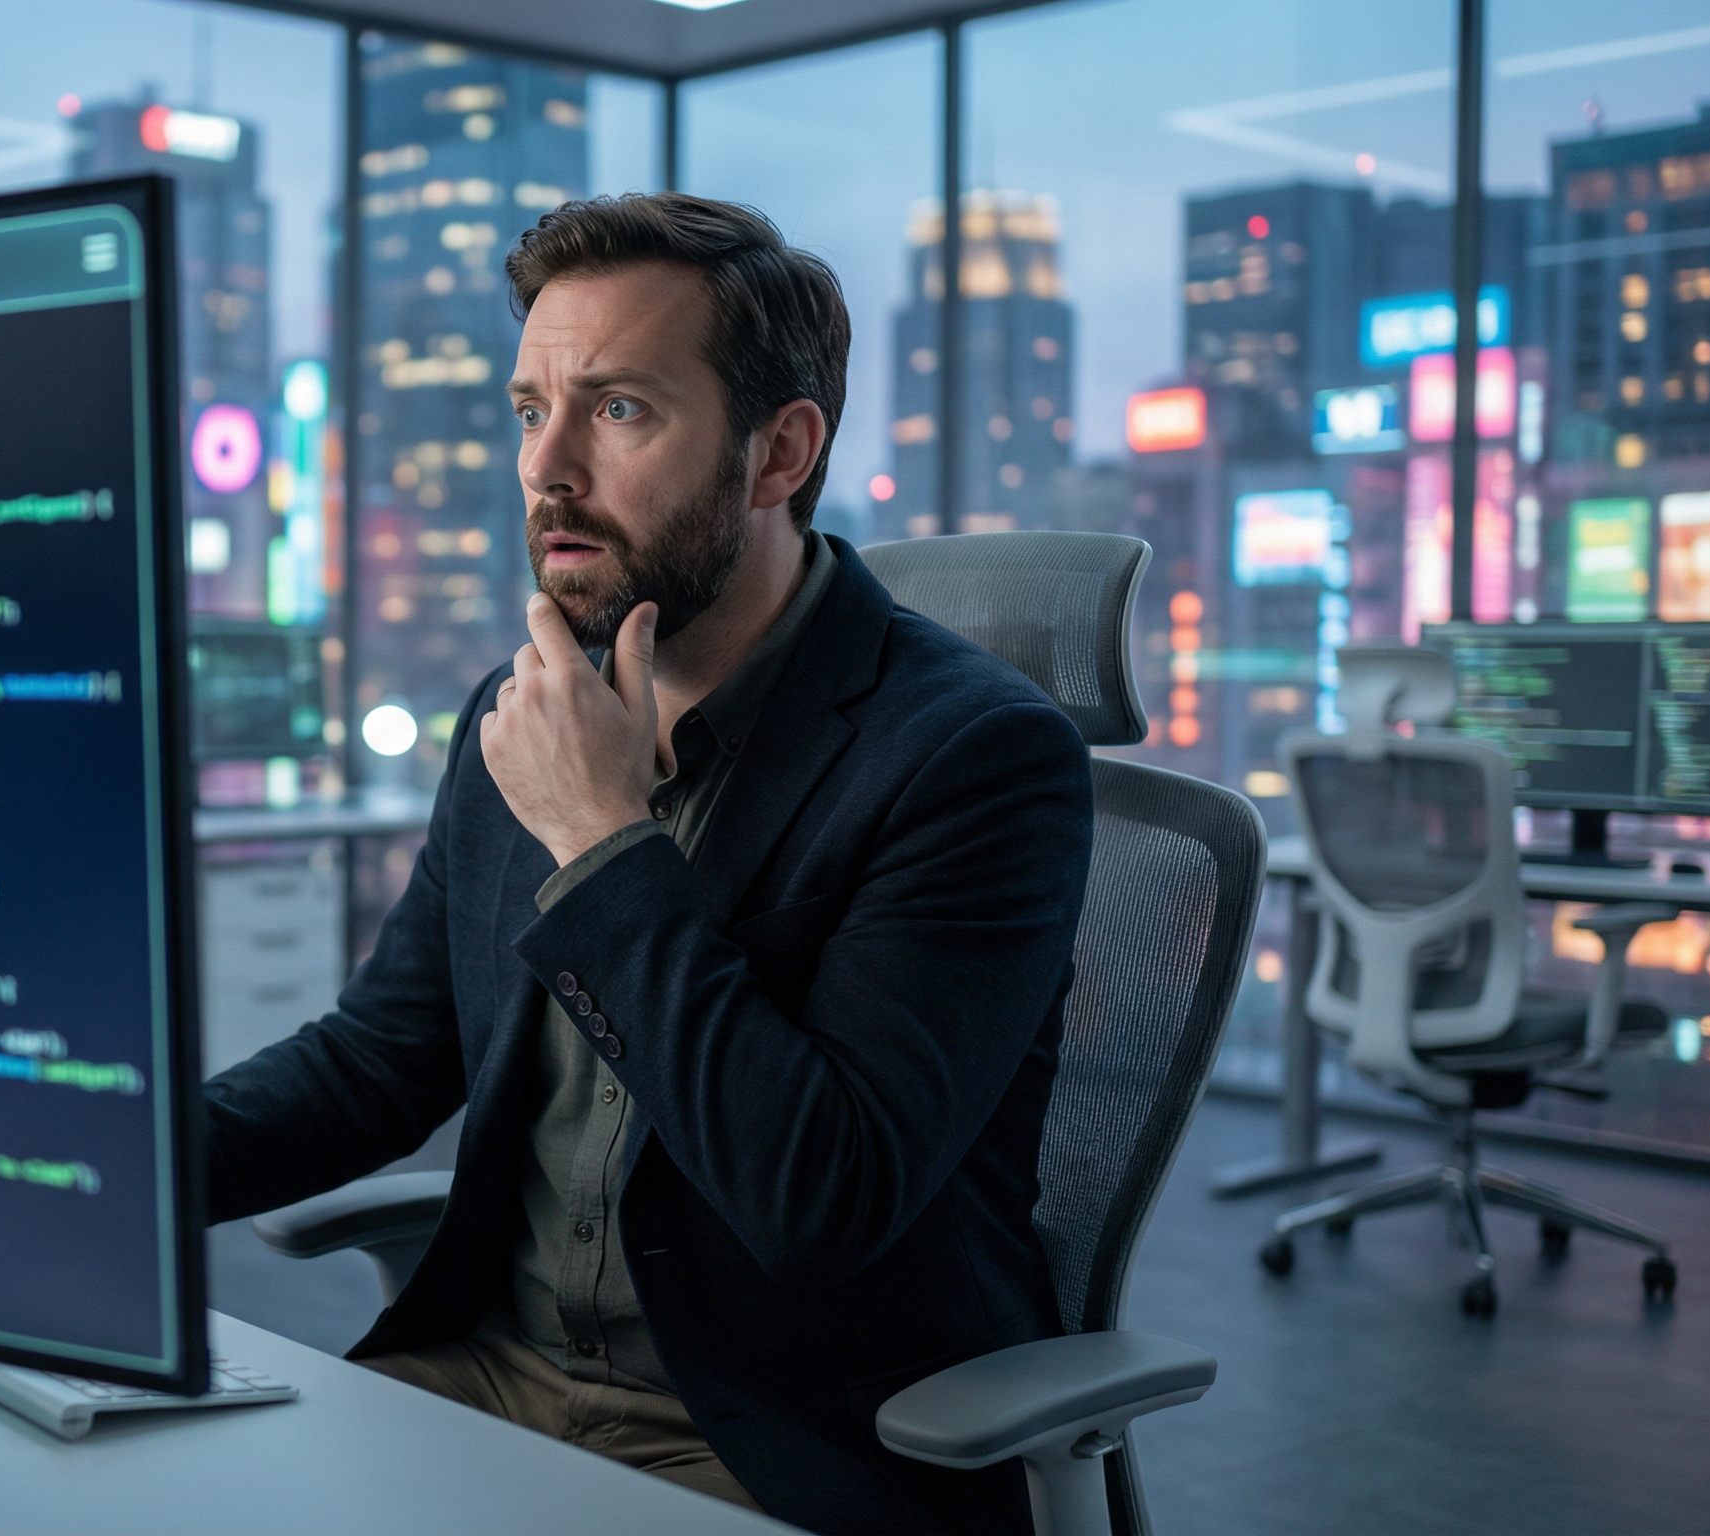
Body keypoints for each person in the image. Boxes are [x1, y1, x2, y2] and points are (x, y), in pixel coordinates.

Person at [203, 192, 1093, 1535]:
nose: (545, 466)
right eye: (527, 409)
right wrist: (97, 1168)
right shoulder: (524, 712)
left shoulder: (974, 758)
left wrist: (602, 840)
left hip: (766, 1439)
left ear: (778, 452)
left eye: (617, 409)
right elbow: (383, 1059)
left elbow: (821, 1195)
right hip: (478, 1380)